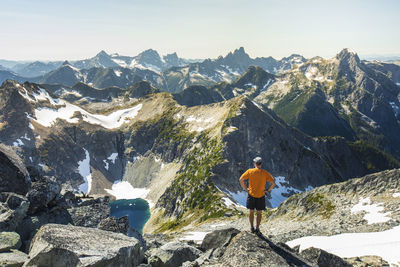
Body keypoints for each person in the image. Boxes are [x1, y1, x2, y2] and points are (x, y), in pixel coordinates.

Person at [239, 156, 275, 234]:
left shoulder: (250, 171)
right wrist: (268, 190)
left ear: (255, 163)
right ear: (261, 164)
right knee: (259, 213)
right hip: (261, 195)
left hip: (251, 194)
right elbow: (273, 183)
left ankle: (252, 227)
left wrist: (245, 188)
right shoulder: (265, 173)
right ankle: (257, 228)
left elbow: (241, 179)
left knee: (251, 211)